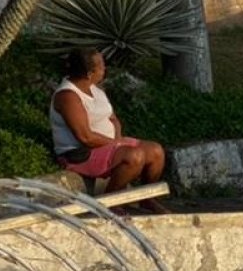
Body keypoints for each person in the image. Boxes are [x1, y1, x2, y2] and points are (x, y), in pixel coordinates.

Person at [49, 49, 170, 213]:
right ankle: (110, 202)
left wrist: (118, 138)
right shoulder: (68, 96)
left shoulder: (95, 89)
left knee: (156, 151)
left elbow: (112, 118)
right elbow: (85, 137)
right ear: (89, 73)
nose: (104, 69)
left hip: (110, 143)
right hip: (81, 153)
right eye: (101, 66)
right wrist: (117, 144)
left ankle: (146, 199)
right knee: (134, 156)